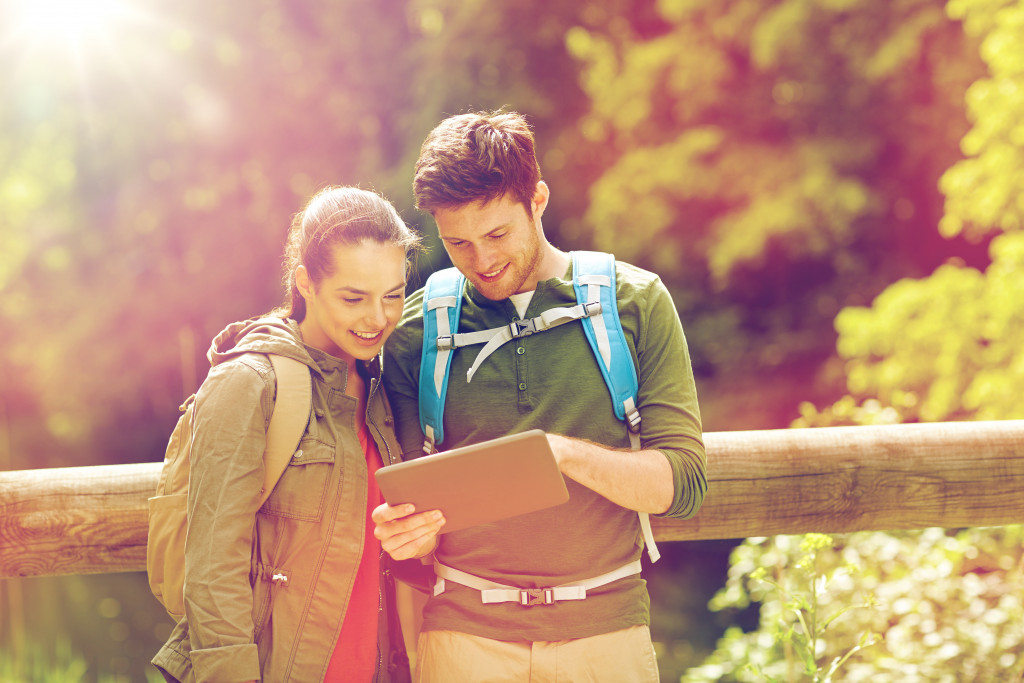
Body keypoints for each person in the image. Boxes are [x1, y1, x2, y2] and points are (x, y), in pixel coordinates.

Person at [373, 110, 707, 682]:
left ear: (538, 200)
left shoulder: (637, 300)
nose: (483, 261)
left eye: (498, 234)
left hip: (607, 635)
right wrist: (405, 532)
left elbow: (682, 485)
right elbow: (407, 502)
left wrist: (560, 454)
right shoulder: (414, 332)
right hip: (463, 640)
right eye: (458, 243)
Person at [152, 186, 420, 683]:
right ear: (306, 283)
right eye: (353, 298)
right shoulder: (248, 384)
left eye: (393, 295)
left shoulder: (387, 382)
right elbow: (212, 571)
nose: (378, 318)